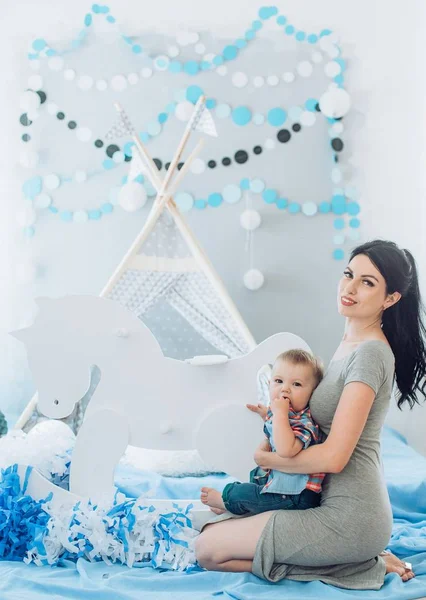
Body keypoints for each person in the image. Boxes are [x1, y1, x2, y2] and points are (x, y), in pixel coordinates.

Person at [195, 240, 426, 589]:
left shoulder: (371, 354)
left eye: (367, 282)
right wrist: (278, 414)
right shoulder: (351, 343)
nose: (349, 288)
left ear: (390, 299)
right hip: (313, 498)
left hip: (350, 516)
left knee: (207, 551)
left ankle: (361, 564)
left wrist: (267, 457)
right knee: (212, 532)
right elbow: (320, 421)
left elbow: (334, 457)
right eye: (349, 274)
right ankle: (358, 559)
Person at [200, 349, 325, 516]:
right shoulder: (288, 415)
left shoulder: (304, 423)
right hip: (283, 487)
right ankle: (235, 505)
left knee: (240, 493)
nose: (285, 389)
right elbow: (279, 431)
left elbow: (286, 449)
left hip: (298, 496)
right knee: (256, 477)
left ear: (312, 393)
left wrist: (279, 415)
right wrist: (268, 416)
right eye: (279, 381)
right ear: (269, 384)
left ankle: (226, 500)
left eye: (296, 384)